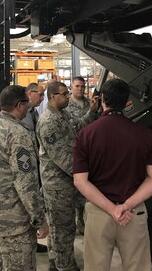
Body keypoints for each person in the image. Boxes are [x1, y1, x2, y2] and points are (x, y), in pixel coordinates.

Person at [73, 78, 152, 271]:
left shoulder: (86, 134)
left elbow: (80, 181)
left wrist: (111, 209)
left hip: (99, 212)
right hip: (133, 212)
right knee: (138, 266)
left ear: (102, 99)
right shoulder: (144, 134)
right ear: (127, 102)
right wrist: (127, 205)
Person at [0, 85, 48, 271]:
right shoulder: (19, 135)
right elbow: (27, 184)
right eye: (26, 103)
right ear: (19, 105)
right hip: (16, 226)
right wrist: (39, 218)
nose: (29, 107)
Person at [36, 81, 99, 271]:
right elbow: (64, 159)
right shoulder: (48, 122)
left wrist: (92, 111)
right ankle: (66, 266)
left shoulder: (63, 114)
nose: (68, 96)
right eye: (64, 94)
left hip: (66, 183)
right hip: (57, 186)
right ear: (53, 96)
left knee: (59, 228)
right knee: (63, 229)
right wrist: (91, 175)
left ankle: (56, 262)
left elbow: (78, 125)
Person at [21, 82, 48, 254]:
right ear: (30, 93)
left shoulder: (33, 112)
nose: (43, 97)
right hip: (25, 166)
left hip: (35, 163)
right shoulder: (22, 115)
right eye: (40, 94)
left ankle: (32, 240)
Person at [66, 76, 91, 235]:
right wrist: (91, 113)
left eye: (82, 86)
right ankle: (78, 220)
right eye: (77, 86)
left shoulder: (89, 103)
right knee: (76, 187)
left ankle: (83, 220)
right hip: (75, 146)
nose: (80, 89)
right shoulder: (66, 106)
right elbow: (75, 125)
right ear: (71, 87)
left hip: (90, 146)